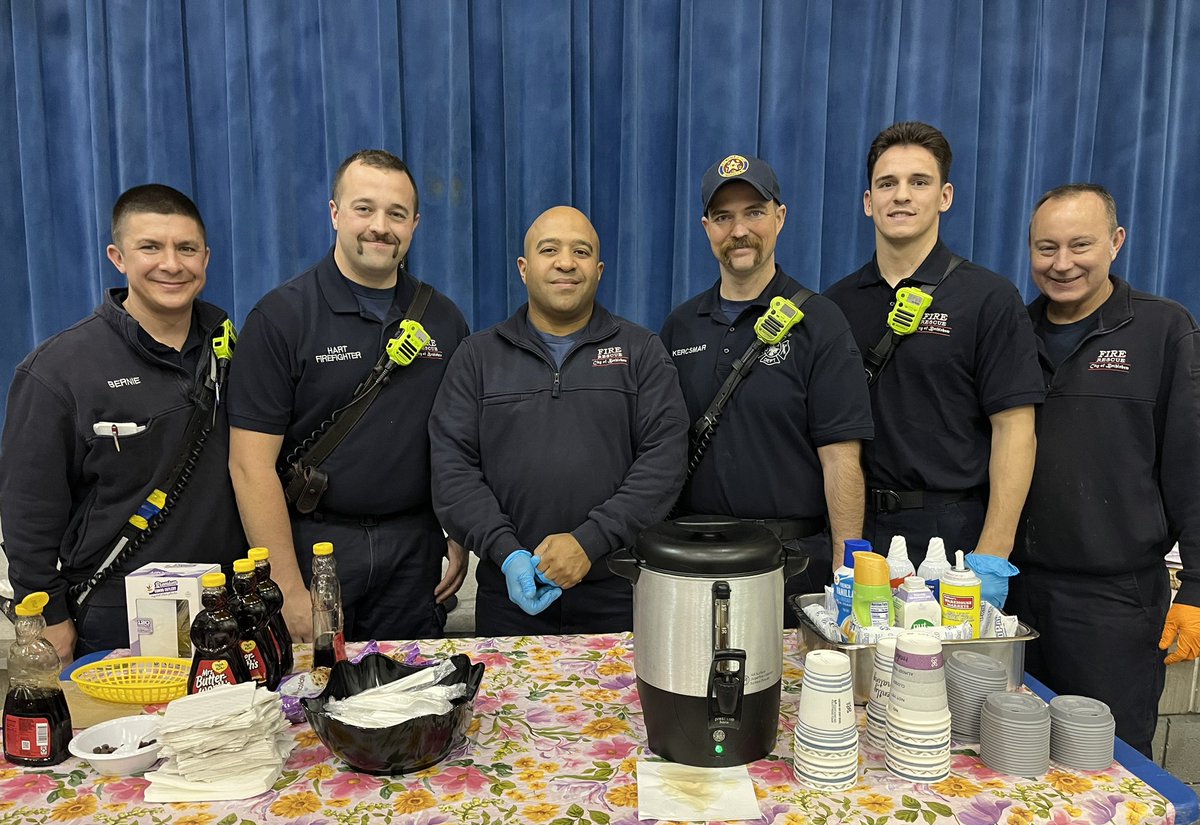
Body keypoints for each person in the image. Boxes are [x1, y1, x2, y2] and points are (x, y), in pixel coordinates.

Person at [227, 150, 469, 643]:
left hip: (413, 553)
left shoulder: (444, 319)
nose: (380, 226)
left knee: (412, 703)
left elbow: (463, 441)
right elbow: (250, 466)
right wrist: (287, 590)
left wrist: (460, 533)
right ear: (335, 213)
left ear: (415, 224)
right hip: (315, 550)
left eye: (396, 214)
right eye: (364, 209)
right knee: (313, 704)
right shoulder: (281, 319)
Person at [0, 184, 247, 661]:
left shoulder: (241, 355)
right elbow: (29, 511)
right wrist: (50, 618)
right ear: (118, 257)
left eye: (187, 248)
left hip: (229, 602)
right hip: (115, 612)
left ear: (207, 258)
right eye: (150, 247)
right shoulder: (58, 371)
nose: (172, 264)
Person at [429, 206, 688, 636]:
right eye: (549, 249)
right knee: (509, 706)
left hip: (619, 593)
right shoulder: (476, 358)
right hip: (508, 596)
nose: (566, 262)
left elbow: (664, 461)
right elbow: (451, 468)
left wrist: (590, 541)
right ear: (524, 268)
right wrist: (506, 552)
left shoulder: (642, 352)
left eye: (581, 252)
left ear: (599, 269)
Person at [1009, 183, 1200, 756]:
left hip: (1115, 604)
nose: (1061, 263)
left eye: (1080, 245)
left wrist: (1196, 586)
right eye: (1046, 248)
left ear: (1115, 243)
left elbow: (1192, 463)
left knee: (1110, 774)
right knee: (1009, 764)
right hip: (1014, 596)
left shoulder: (1164, 331)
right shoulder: (1011, 332)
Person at [824, 122, 1044, 606]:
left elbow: (1015, 429)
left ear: (944, 196)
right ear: (868, 201)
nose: (901, 196)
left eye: (918, 182)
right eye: (887, 183)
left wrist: (992, 552)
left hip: (952, 534)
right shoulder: (834, 305)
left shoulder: (987, 298)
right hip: (856, 531)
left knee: (941, 682)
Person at [660, 154, 873, 601]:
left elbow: (841, 459)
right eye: (723, 217)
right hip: (697, 560)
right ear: (706, 228)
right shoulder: (680, 326)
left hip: (794, 564)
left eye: (754, 212)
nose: (739, 230)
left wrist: (845, 568)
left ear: (780, 217)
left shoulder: (820, 321)